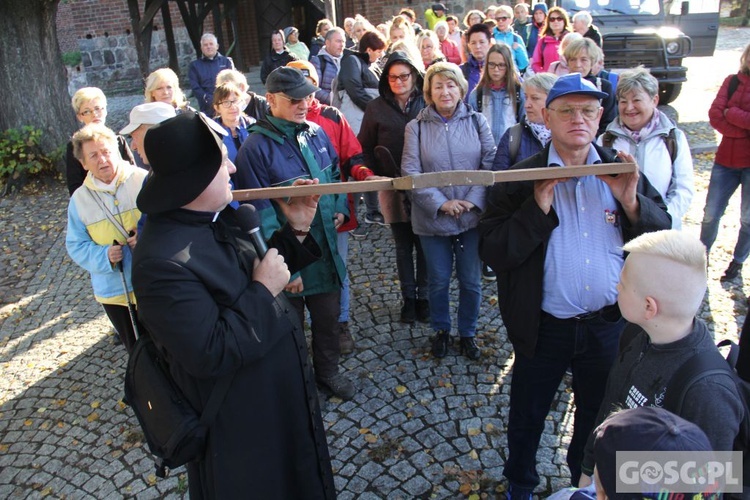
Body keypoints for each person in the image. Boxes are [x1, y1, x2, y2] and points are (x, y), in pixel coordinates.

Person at [478, 73, 672, 499]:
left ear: (601, 115)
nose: (578, 119)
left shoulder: (620, 169)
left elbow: (664, 234)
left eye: (587, 110)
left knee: (597, 416)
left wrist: (631, 203)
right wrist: (537, 207)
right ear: (547, 116)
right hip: (544, 326)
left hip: (607, 326)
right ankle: (521, 483)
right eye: (566, 111)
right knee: (528, 413)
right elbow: (493, 251)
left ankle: (581, 484)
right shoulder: (520, 177)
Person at [131, 111, 335, 498]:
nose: (233, 165)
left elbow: (251, 275)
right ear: (195, 176)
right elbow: (211, 351)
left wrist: (296, 229)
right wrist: (263, 290)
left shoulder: (209, 218)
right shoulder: (160, 263)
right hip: (242, 431)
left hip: (276, 405)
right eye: (222, 159)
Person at [579, 229, 743, 488]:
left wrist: (613, 478)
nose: (616, 287)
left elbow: (709, 485)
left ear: (649, 307)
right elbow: (611, 406)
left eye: (622, 283)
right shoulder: (635, 333)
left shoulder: (709, 393)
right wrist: (590, 468)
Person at [234, 67, 356, 400]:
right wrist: (289, 267)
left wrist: (341, 207)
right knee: (290, 329)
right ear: (271, 99)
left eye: (308, 96)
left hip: (324, 248)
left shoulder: (316, 132)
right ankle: (298, 385)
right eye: (295, 99)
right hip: (289, 256)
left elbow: (334, 174)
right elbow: (260, 215)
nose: (304, 104)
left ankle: (328, 373)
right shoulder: (255, 148)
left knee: (328, 318)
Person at [401, 62, 496, 360]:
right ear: (429, 91)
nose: (445, 91)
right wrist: (441, 203)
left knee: (470, 280)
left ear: (461, 88)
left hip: (470, 217)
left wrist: (471, 199)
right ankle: (441, 330)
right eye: (439, 85)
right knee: (438, 280)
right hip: (433, 219)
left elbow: (490, 163)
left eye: (451, 84)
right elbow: (410, 172)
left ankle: (467, 332)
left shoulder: (477, 121)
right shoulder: (415, 127)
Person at [287, 58, 369, 354]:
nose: (304, 98)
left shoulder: (331, 118)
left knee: (338, 269)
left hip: (334, 214)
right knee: (301, 270)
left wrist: (364, 178)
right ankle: (311, 326)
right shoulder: (278, 129)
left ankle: (340, 324)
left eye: (307, 86)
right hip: (297, 218)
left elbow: (346, 161)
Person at [359, 50, 429, 325]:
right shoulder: (375, 108)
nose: (399, 81)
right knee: (402, 246)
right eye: (393, 77)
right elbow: (364, 146)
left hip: (424, 185)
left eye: (404, 76)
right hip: (391, 185)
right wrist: (370, 174)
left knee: (424, 243)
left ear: (414, 75)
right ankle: (408, 300)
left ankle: (424, 298)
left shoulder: (427, 101)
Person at [66, 124, 147, 353]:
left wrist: (145, 233)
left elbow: (167, 219)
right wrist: (105, 255)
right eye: (93, 155)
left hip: (152, 280)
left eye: (106, 152)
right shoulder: (80, 200)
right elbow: (76, 245)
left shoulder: (141, 180)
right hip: (115, 292)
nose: (103, 160)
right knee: (137, 351)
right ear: (83, 163)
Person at [598, 67, 694, 229]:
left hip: (662, 230)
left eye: (636, 100)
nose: (629, 108)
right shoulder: (606, 140)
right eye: (623, 101)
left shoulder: (672, 138)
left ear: (654, 100)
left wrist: (660, 219)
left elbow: (682, 189)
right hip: (617, 230)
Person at [700, 43, 750, 282]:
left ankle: (738, 261)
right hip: (726, 160)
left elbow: (727, 113)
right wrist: (742, 130)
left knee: (748, 218)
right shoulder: (732, 82)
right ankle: (701, 258)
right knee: (711, 213)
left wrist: (733, 113)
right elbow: (715, 114)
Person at [66, 87, 135, 195]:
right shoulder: (75, 145)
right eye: (87, 111)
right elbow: (75, 187)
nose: (94, 114)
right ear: (80, 116)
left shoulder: (118, 140)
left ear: (105, 110)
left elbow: (133, 173)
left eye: (98, 108)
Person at [492, 72, 558, 171]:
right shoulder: (513, 135)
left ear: (553, 101)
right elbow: (498, 183)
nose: (527, 105)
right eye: (526, 97)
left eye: (535, 98)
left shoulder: (570, 133)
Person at [468, 43, 525, 146]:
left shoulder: (518, 92)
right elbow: (471, 129)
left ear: (508, 66)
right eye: (492, 64)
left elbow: (525, 125)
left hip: (511, 151)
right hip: (485, 152)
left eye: (501, 65)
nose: (496, 70)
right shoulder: (477, 95)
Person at [563, 38, 617, 135]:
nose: (578, 65)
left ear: (592, 62)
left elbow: (609, 122)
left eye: (584, 60)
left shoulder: (603, 86)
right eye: (573, 60)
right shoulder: (560, 86)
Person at [188, 33, 234, 114]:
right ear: (201, 48)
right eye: (205, 45)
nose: (208, 47)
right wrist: (208, 99)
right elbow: (195, 87)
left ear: (217, 46)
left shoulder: (227, 62)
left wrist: (224, 99)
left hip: (227, 104)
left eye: (211, 44)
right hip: (207, 108)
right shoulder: (194, 66)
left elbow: (233, 82)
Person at [212, 82, 252, 163]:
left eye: (235, 101)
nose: (233, 106)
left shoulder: (253, 126)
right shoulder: (212, 133)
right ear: (217, 107)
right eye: (226, 102)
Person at [530, 6, 571, 74]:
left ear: (564, 21)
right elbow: (535, 63)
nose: (555, 21)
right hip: (548, 81)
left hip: (568, 79)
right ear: (548, 22)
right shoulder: (543, 41)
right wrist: (544, 75)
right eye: (552, 19)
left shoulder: (571, 39)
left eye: (559, 18)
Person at [310, 27, 345, 105]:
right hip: (328, 110)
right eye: (338, 41)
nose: (342, 45)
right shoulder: (318, 61)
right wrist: (333, 100)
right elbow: (314, 88)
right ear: (327, 43)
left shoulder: (348, 61)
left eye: (343, 41)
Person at [491, 5, 529, 74]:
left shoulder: (516, 38)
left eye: (504, 18)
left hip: (512, 75)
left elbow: (523, 64)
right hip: (495, 74)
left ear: (511, 20)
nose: (500, 21)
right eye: (498, 19)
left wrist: (518, 49)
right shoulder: (491, 38)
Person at [460, 23, 493, 100]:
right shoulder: (461, 71)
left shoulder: (500, 68)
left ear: (489, 43)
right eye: (473, 43)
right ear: (468, 45)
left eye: (482, 42)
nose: (478, 46)